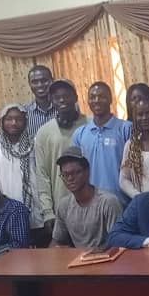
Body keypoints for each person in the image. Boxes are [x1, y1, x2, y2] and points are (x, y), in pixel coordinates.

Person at [34, 79, 88, 243]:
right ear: (52, 101)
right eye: (57, 97)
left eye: (67, 96)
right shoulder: (44, 132)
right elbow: (42, 175)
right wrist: (48, 211)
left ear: (76, 97)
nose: (62, 100)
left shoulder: (91, 124)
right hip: (61, 209)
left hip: (92, 205)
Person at [0, 104, 42, 233]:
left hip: (36, 211)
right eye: (9, 119)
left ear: (25, 122)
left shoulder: (35, 144)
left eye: (19, 119)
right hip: (7, 214)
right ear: (2, 121)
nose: (14, 123)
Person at [51, 146, 122, 249]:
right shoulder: (64, 205)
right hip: (76, 260)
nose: (70, 178)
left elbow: (117, 243)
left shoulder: (108, 202)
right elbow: (57, 241)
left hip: (105, 260)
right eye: (65, 175)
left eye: (75, 173)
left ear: (87, 171)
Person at [70, 81, 131, 201]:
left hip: (122, 203)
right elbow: (75, 171)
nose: (96, 100)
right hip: (91, 204)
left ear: (110, 99)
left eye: (101, 96)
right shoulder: (80, 134)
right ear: (88, 101)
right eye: (92, 97)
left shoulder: (126, 128)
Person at [22, 64, 56, 137]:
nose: (40, 85)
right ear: (29, 84)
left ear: (52, 81)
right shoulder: (23, 113)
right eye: (34, 82)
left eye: (44, 80)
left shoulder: (64, 108)